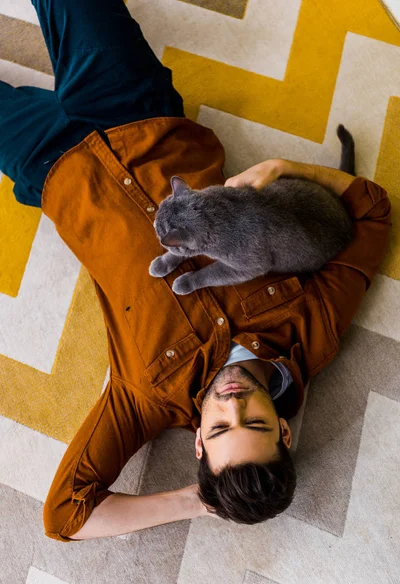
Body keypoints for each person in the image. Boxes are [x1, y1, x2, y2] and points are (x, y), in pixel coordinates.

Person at [1, 0, 391, 543]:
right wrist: (282, 169)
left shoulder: (146, 400)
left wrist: (201, 501)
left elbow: (65, 516)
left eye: (220, 428)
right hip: (141, 117)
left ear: (199, 442)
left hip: (56, 169)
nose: (232, 402)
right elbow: (372, 210)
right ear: (283, 429)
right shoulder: (313, 328)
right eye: (254, 422)